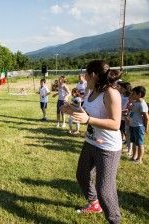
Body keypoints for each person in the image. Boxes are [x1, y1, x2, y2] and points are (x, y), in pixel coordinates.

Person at [61, 60, 122, 224]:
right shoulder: (91, 91)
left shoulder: (111, 93)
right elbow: (88, 112)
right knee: (82, 175)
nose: (84, 77)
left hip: (107, 148)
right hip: (91, 142)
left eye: (86, 74)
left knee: (105, 190)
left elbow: (116, 123)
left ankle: (114, 220)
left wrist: (88, 119)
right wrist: (72, 110)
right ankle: (94, 204)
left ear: (93, 75)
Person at [129, 86, 148, 164]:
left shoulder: (142, 104)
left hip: (139, 126)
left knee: (140, 143)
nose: (132, 95)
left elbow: (146, 117)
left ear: (139, 94)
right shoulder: (136, 102)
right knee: (133, 142)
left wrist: (146, 127)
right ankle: (134, 156)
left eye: (133, 94)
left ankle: (139, 159)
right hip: (133, 125)